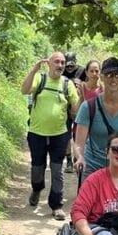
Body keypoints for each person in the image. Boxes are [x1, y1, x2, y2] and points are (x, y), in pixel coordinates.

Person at [20, 52, 79, 220]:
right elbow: (24, 90)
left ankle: (57, 205)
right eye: (57, 62)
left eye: (62, 62)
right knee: (37, 167)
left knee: (57, 169)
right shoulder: (40, 79)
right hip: (37, 132)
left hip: (59, 134)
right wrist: (33, 70)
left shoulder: (68, 84)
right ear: (49, 64)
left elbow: (75, 108)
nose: (60, 65)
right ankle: (37, 189)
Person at [73, 56, 118, 180]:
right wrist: (80, 157)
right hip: (92, 169)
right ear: (102, 77)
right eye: (109, 75)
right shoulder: (88, 107)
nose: (114, 79)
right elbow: (79, 143)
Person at [63, 52, 86, 173]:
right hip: (65, 107)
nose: (69, 68)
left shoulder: (83, 71)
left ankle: (78, 159)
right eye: (68, 66)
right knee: (66, 135)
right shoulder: (61, 71)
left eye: (72, 66)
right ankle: (69, 162)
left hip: (80, 108)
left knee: (79, 135)